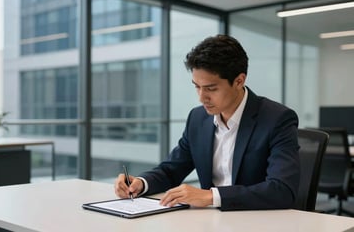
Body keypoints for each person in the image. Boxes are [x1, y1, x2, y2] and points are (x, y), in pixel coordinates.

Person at [114, 34, 300, 211]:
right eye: (197, 87)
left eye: (211, 88)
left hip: (258, 222)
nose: (202, 98)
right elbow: (171, 170)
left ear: (239, 81)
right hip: (208, 222)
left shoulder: (277, 119)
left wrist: (211, 196)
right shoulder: (198, 118)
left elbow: (281, 190)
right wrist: (141, 183)